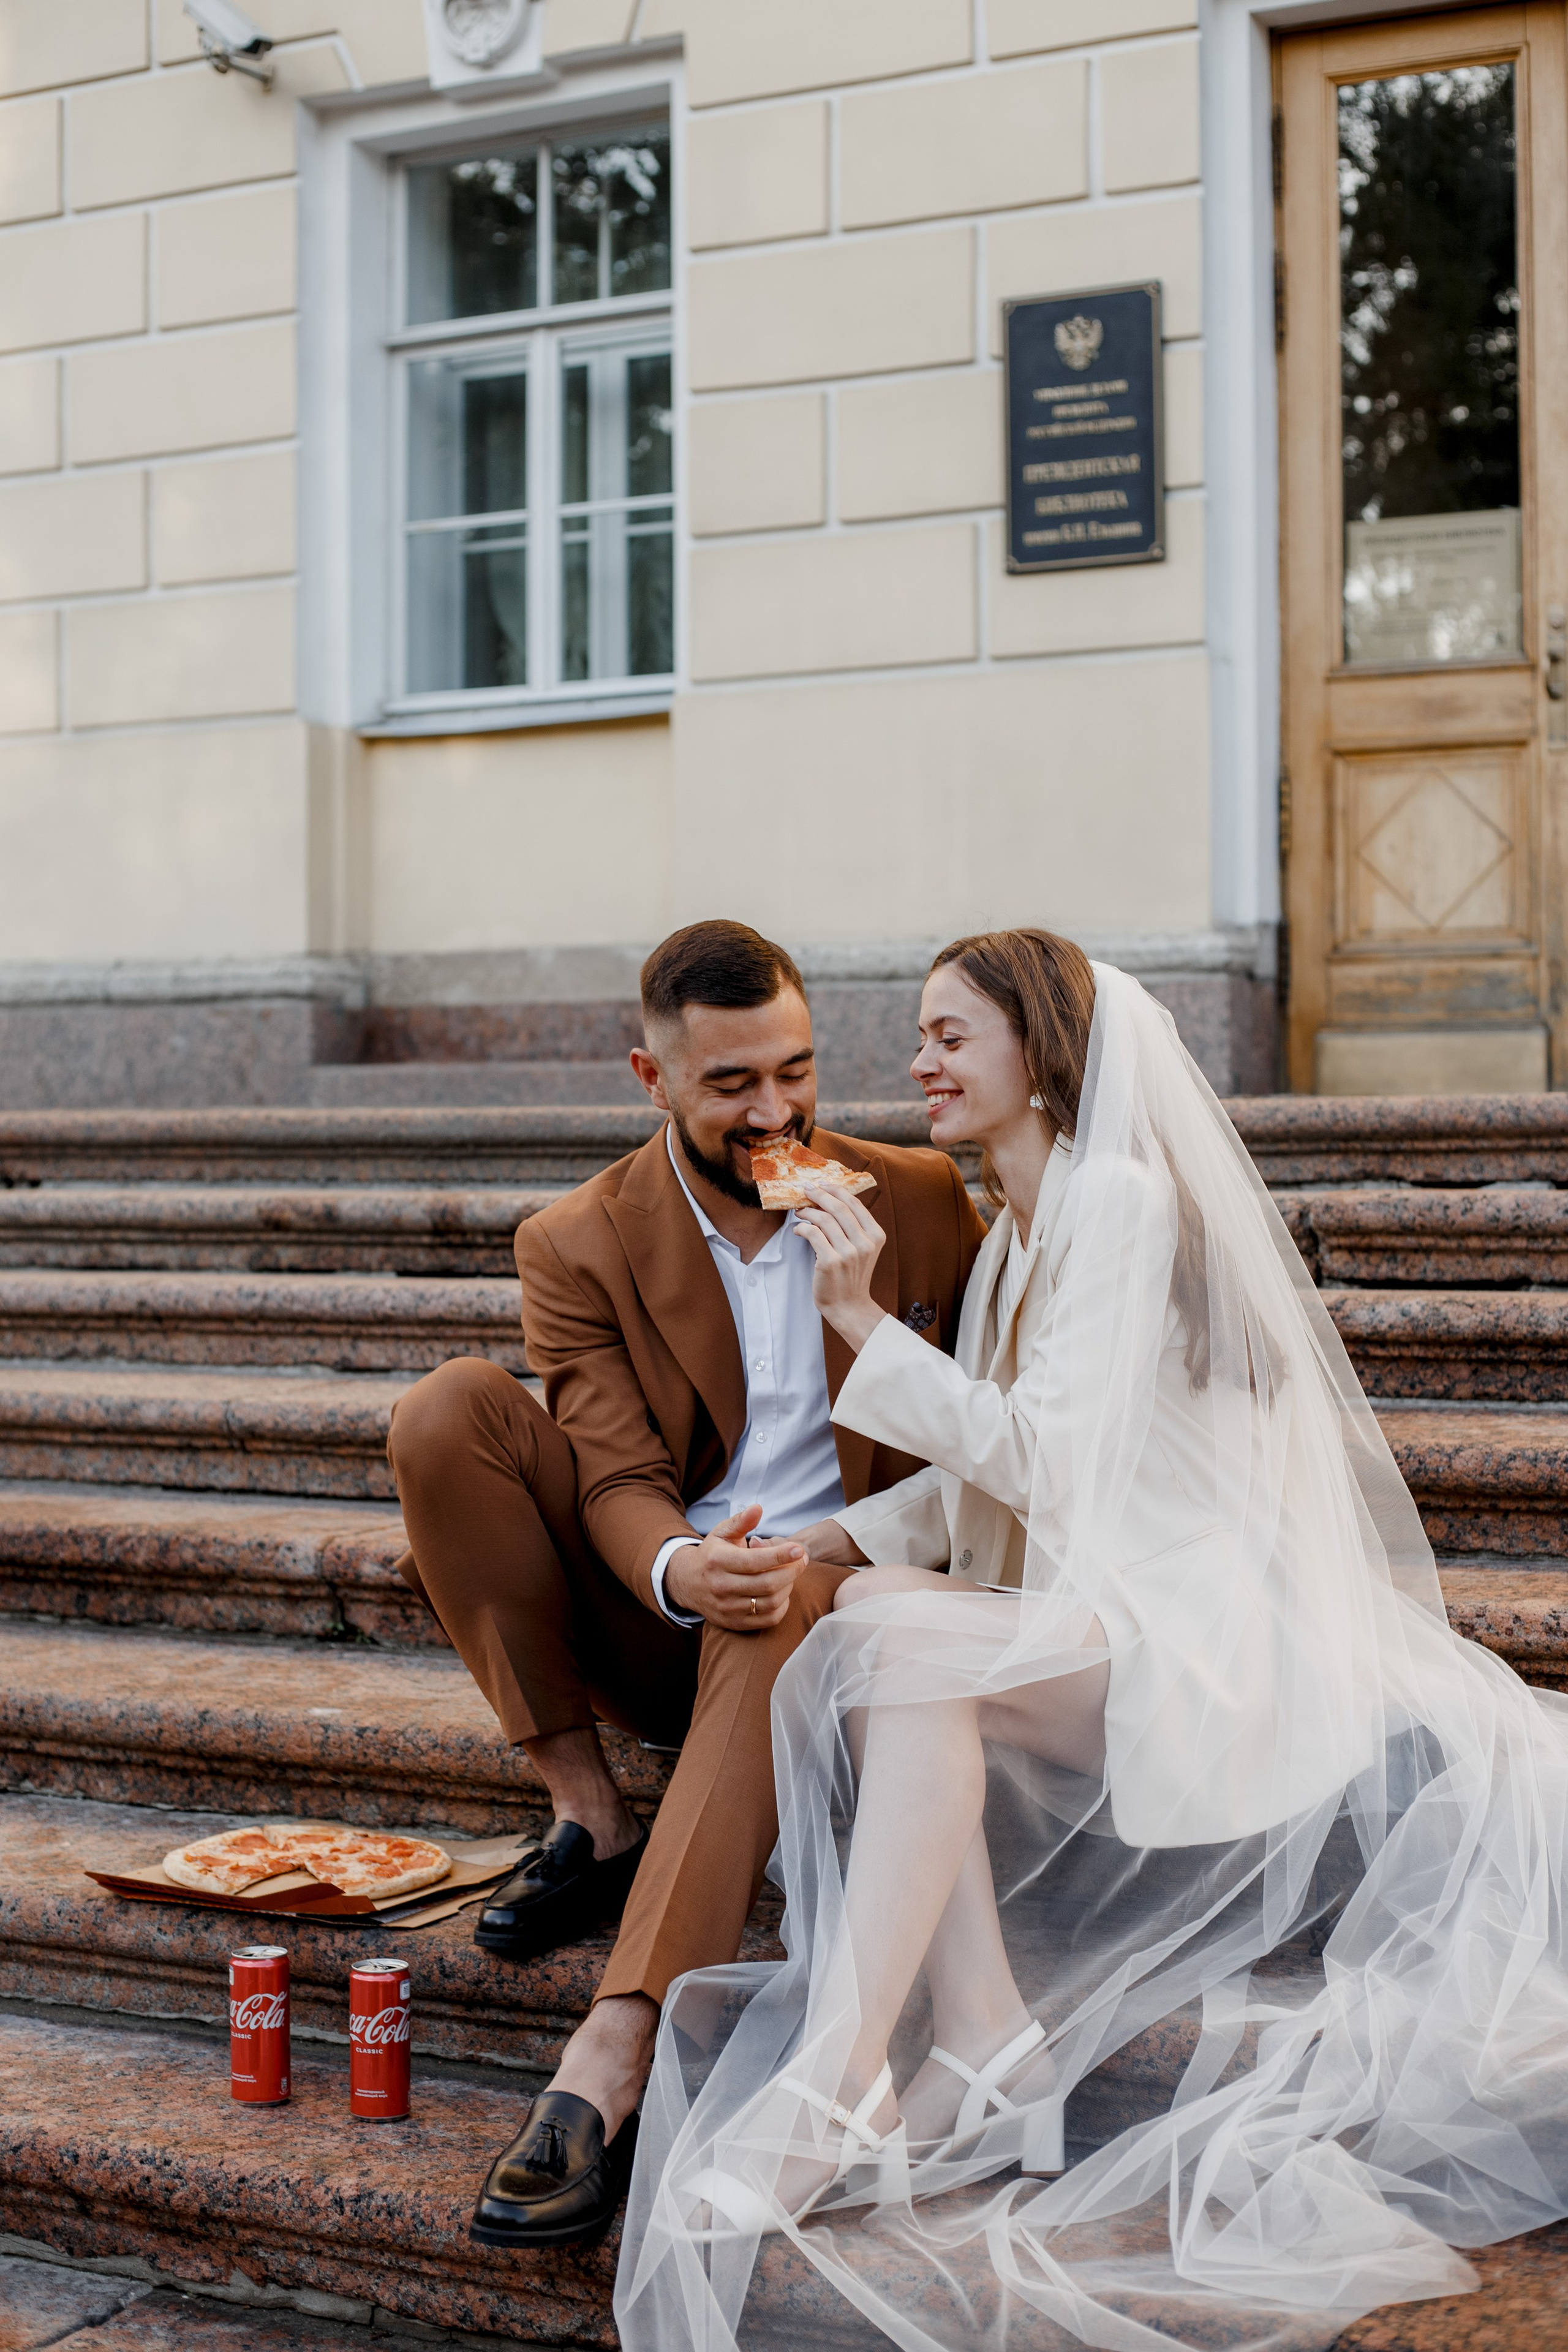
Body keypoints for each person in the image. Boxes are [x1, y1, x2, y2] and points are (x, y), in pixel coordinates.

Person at [616, 929, 1568, 2352]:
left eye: (949, 1036)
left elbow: (1046, 1465)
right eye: (922, 1037)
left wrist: (856, 1316)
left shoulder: (1117, 1200)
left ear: (1039, 1053)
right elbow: (998, 1468)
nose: (918, 1064)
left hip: (1206, 1646)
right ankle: (978, 2041)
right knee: (867, 1616)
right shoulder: (1024, 1230)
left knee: (892, 1650)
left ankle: (851, 2076)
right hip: (1112, 1621)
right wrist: (833, 1540)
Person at [385, 919, 989, 2248]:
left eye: (794, 1071)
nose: (772, 1110)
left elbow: (989, 1437)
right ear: (651, 1080)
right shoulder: (576, 1239)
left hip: (843, 1605)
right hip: (660, 1606)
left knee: (786, 1598)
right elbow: (605, 1474)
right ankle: (590, 1817)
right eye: (729, 1084)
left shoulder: (919, 1197)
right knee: (447, 1413)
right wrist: (678, 1566)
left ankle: (615, 2040)